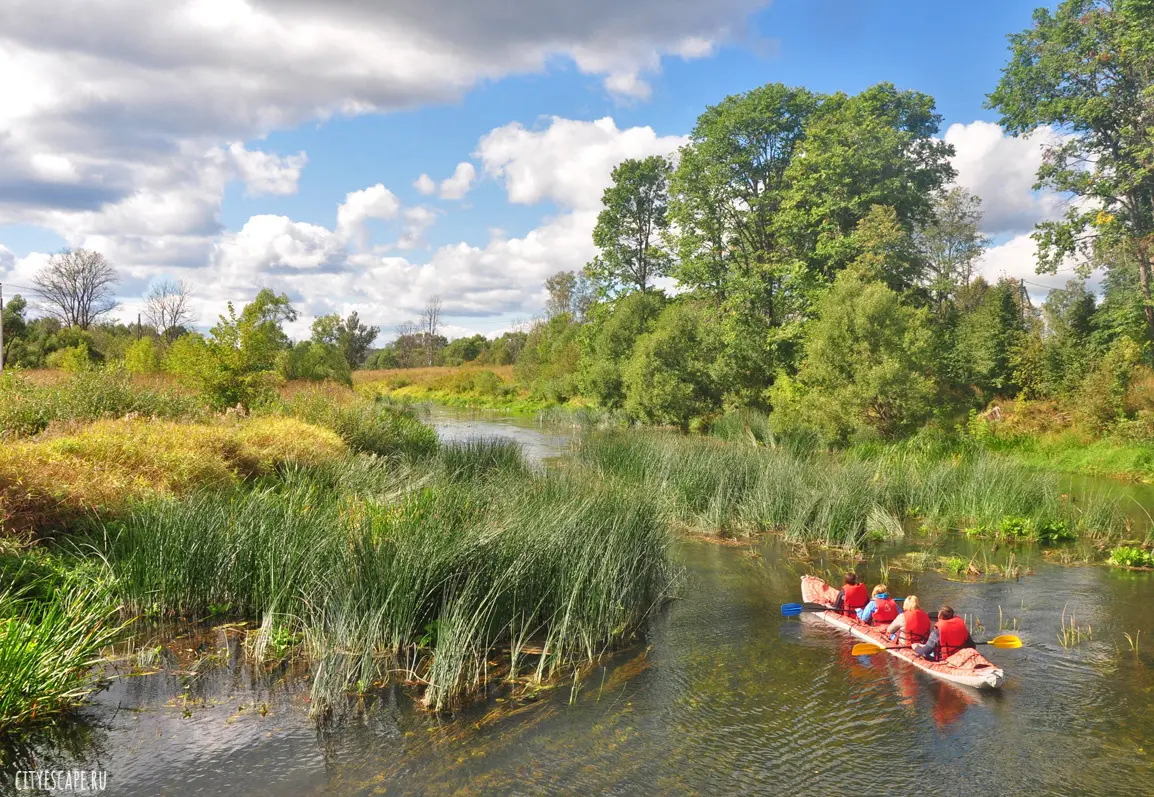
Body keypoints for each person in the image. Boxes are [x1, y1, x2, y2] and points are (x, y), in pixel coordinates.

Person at [912, 606, 976, 662]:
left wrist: (916, 648)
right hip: (958, 653)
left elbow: (925, 653)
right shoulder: (961, 625)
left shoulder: (937, 632)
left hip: (945, 658)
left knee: (926, 650)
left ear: (940, 616)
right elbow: (972, 645)